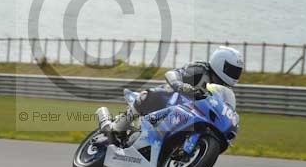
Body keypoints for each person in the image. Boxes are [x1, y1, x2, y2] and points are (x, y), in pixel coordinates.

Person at [105, 46, 244, 134]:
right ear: (221, 63)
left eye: (237, 72)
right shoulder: (200, 69)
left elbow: (226, 109)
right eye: (231, 70)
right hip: (170, 101)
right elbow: (172, 74)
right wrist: (180, 85)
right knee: (146, 95)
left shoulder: (224, 90)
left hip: (192, 116)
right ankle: (115, 128)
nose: (234, 75)